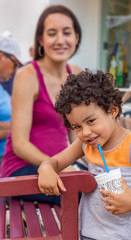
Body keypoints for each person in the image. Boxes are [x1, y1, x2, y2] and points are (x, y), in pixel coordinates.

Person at [38, 70, 131, 240]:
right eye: (77, 127)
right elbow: (55, 161)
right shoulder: (85, 144)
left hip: (122, 236)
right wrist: (46, 168)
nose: (86, 132)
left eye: (90, 121)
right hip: (86, 233)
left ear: (112, 111)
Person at [1, 5, 85, 204]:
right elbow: (20, 143)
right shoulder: (28, 76)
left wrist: (99, 164)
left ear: (76, 38)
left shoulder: (77, 74)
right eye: (51, 33)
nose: (60, 40)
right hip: (22, 168)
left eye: (66, 33)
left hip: (59, 166)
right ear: (41, 39)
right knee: (83, 195)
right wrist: (59, 166)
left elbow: (78, 134)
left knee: (103, 185)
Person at [0, 33, 21, 165]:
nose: (15, 70)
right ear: (1, 56)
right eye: (15, 63)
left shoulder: (2, 88)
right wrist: (22, 126)